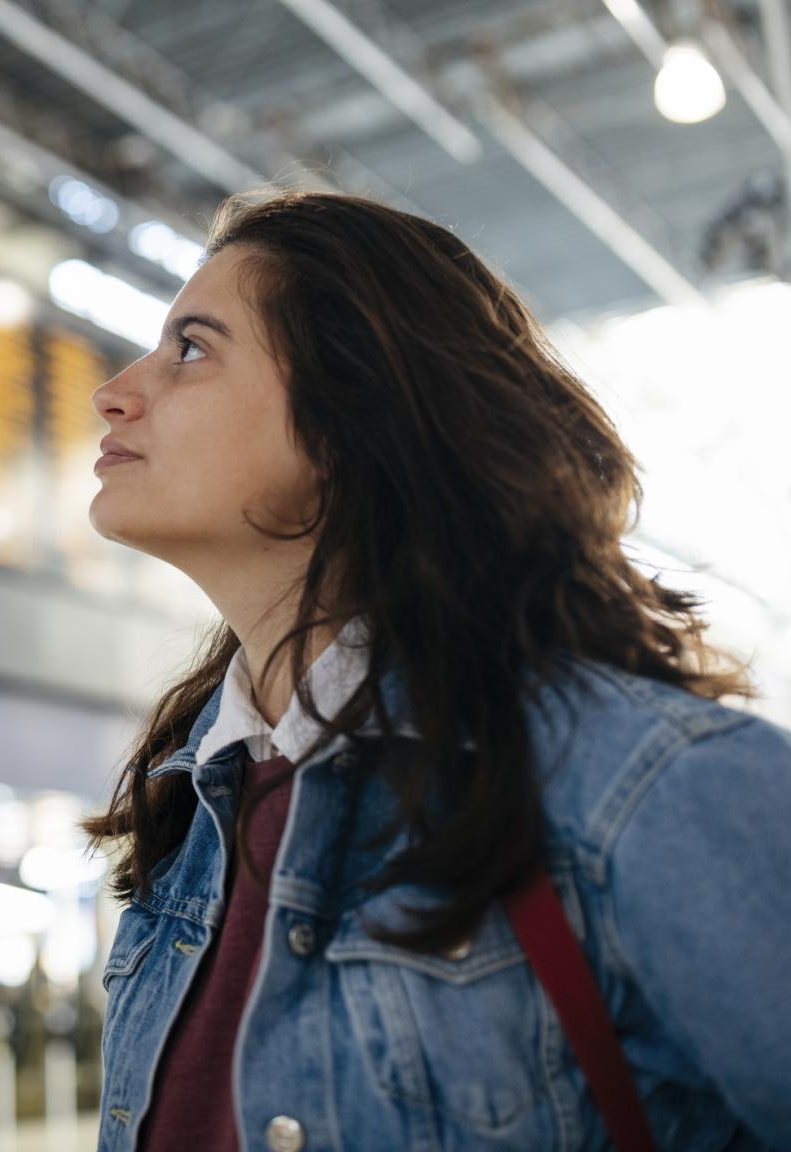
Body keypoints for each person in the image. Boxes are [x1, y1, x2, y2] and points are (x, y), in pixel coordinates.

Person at [83, 191, 791, 1151]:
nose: (115, 392)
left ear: (351, 420)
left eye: (192, 350)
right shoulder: (195, 809)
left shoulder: (643, 786)